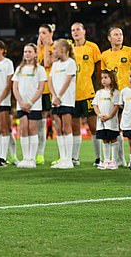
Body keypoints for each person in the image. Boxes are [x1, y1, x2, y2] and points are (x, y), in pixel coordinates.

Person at [101, 26, 131, 167]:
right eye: (116, 34)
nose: (119, 37)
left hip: (129, 94)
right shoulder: (104, 55)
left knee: (130, 127)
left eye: (121, 34)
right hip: (113, 94)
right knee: (115, 127)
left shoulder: (130, 52)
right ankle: (119, 159)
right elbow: (104, 76)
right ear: (109, 38)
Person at [12, 43, 47, 168]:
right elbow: (15, 87)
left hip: (34, 105)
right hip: (21, 105)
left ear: (35, 53)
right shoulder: (19, 69)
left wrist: (30, 102)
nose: (27, 54)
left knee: (32, 130)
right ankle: (25, 158)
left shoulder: (40, 69)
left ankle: (32, 158)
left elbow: (41, 88)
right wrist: (21, 102)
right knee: (23, 129)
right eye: (25, 51)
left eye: (30, 51)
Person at [71, 22, 102, 167]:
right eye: (73, 30)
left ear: (84, 32)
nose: (75, 32)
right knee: (75, 127)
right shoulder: (68, 48)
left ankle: (98, 157)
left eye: (78, 29)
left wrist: (98, 88)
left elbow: (98, 69)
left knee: (93, 127)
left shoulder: (92, 47)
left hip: (89, 92)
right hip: (72, 94)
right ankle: (74, 158)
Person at [48, 39, 77, 169]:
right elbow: (50, 81)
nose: (53, 51)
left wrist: (59, 96)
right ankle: (62, 158)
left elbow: (67, 81)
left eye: (55, 48)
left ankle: (69, 160)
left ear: (63, 50)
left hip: (66, 100)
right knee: (58, 129)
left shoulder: (71, 63)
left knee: (66, 128)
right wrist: (54, 96)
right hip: (56, 100)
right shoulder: (55, 65)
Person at [92, 70, 120, 170]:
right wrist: (99, 115)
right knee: (105, 140)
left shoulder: (116, 93)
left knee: (113, 139)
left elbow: (116, 106)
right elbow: (95, 105)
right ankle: (106, 160)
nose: (103, 80)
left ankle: (114, 160)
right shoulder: (99, 93)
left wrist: (109, 116)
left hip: (111, 122)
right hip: (101, 121)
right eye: (102, 78)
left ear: (111, 79)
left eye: (106, 78)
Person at [36, 24, 55, 165]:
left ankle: (66, 156)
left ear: (50, 33)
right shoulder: (39, 49)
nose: (41, 36)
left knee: (58, 123)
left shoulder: (56, 47)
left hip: (53, 89)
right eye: (39, 33)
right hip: (41, 90)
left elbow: (47, 63)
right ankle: (40, 154)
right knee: (40, 125)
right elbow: (37, 65)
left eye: (43, 32)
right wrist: (39, 47)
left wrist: (47, 45)